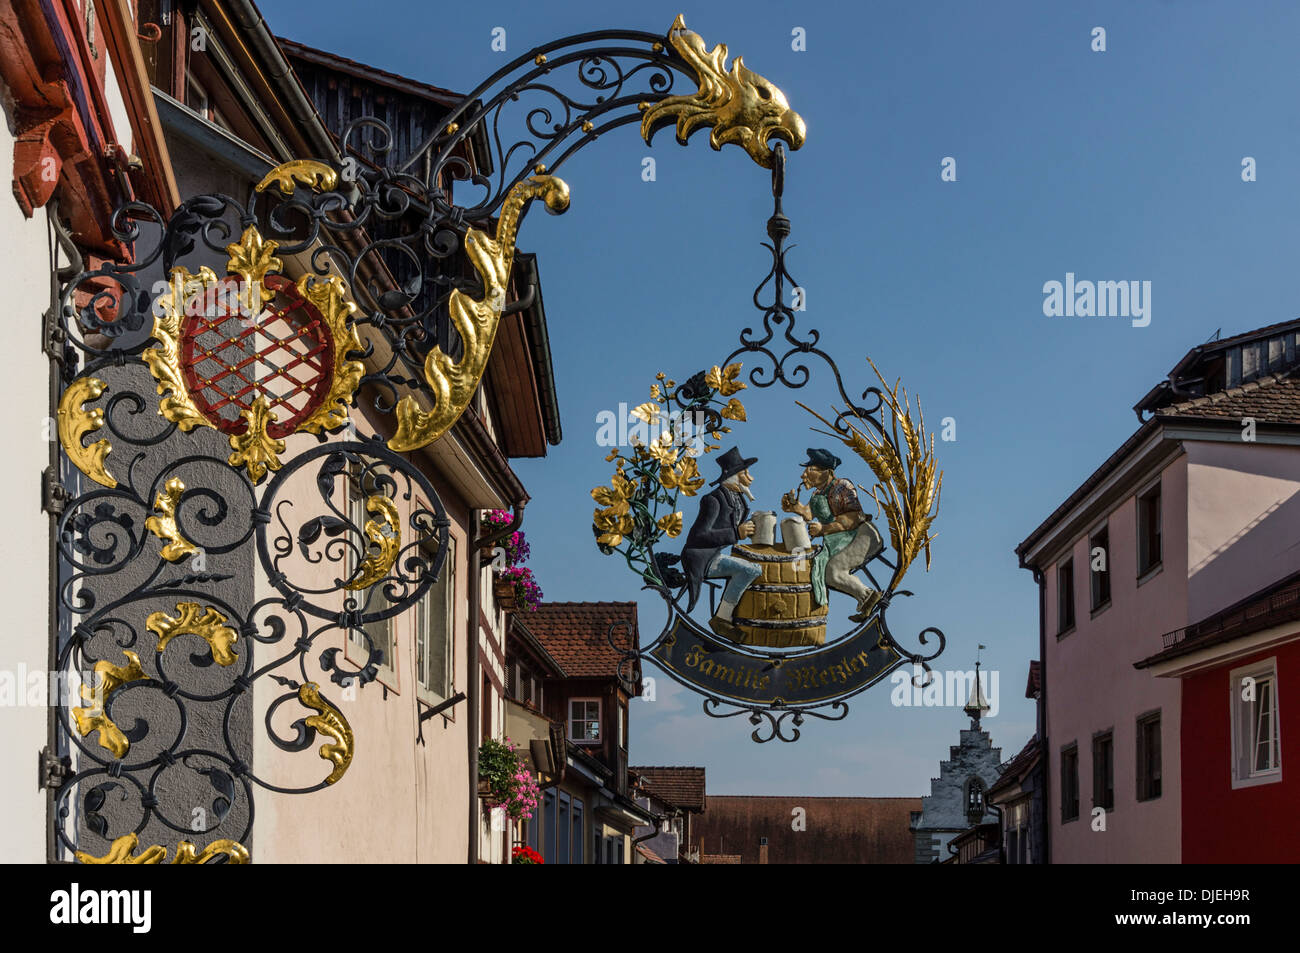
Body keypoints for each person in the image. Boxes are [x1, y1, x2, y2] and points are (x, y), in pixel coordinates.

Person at [781, 447, 884, 623]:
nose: (803, 476)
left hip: (861, 536)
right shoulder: (816, 494)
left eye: (810, 470)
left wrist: (823, 529)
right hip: (837, 541)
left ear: (826, 471)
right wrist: (794, 507)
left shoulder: (842, 486)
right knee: (822, 568)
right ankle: (866, 599)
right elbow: (808, 513)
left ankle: (869, 596)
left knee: (833, 571)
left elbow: (853, 518)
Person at [681, 446, 761, 640]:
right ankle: (722, 619)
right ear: (734, 476)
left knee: (756, 565)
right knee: (751, 570)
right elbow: (699, 536)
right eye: (745, 473)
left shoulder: (736, 498)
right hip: (702, 558)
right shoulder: (713, 500)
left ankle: (735, 615)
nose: (749, 478)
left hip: (715, 553)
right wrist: (736, 532)